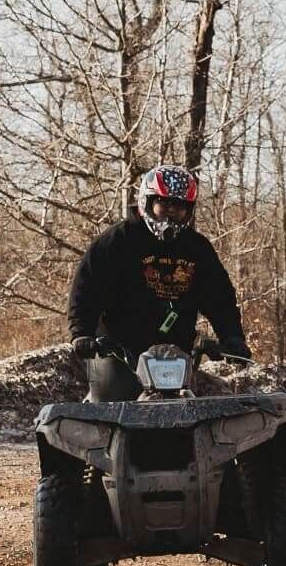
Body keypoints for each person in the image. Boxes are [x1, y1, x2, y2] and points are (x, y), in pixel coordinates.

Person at [68, 164, 250, 401]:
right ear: (148, 201)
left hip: (176, 355)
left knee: (189, 411)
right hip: (119, 353)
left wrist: (232, 337)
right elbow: (86, 287)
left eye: (179, 208)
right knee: (110, 407)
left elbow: (219, 297)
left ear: (189, 210)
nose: (170, 214)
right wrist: (81, 333)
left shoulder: (197, 248)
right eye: (163, 205)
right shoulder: (116, 241)